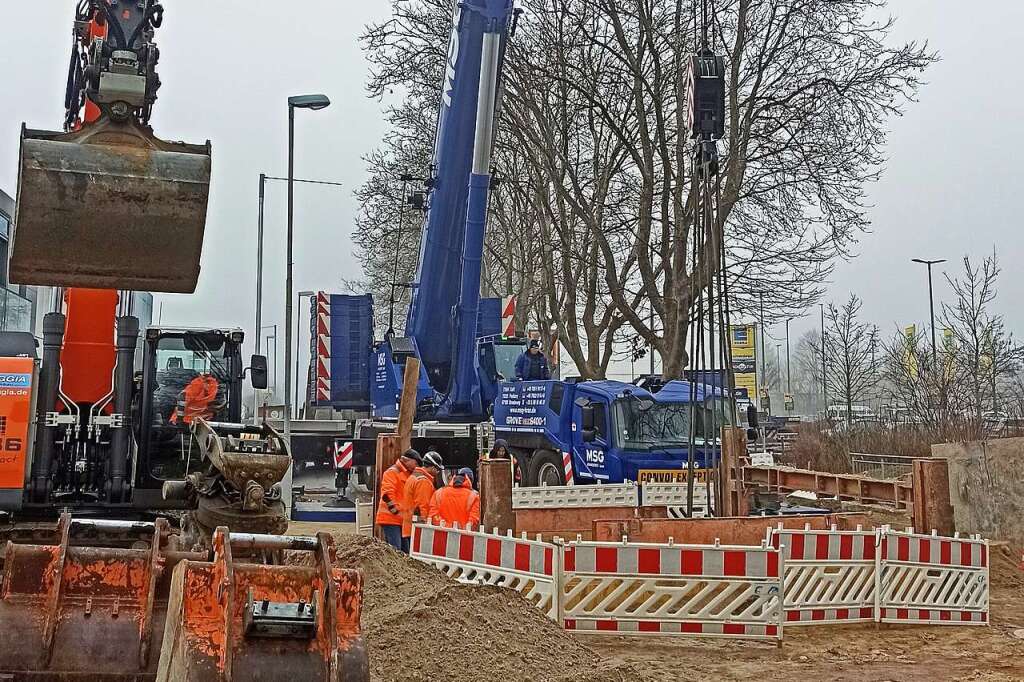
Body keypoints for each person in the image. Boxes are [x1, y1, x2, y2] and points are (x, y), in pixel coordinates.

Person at [376, 448, 420, 553]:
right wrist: (395, 510)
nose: (417, 466)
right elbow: (387, 494)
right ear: (407, 460)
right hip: (391, 518)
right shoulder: (392, 472)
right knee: (396, 550)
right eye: (416, 463)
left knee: (404, 551)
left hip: (400, 519)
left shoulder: (407, 474)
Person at [402, 451, 444, 540]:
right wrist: (425, 528)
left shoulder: (414, 477)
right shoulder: (424, 482)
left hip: (410, 525)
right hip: (417, 529)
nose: (438, 472)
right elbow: (423, 506)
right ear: (433, 467)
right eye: (438, 469)